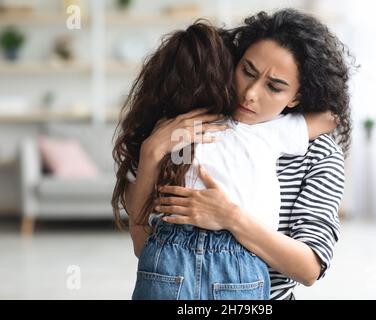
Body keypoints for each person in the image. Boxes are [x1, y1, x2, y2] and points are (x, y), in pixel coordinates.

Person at [112, 8, 353, 300]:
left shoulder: (317, 152)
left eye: (274, 87)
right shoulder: (195, 124)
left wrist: (230, 217)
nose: (250, 93)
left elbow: (309, 269)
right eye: (247, 71)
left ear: (296, 97)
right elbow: (142, 239)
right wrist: (151, 153)